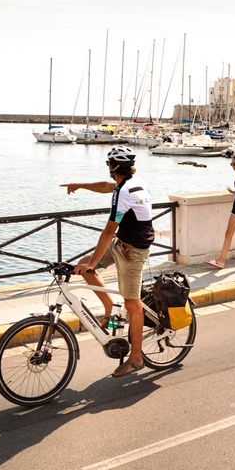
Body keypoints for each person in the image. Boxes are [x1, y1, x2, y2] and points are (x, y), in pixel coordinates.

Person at [61, 145, 153, 378]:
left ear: (114, 167)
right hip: (122, 244)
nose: (108, 169)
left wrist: (94, 262)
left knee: (132, 304)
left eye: (109, 164)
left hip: (133, 252)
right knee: (85, 266)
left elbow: (109, 230)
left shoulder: (125, 192)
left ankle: (136, 358)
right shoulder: (129, 183)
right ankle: (110, 307)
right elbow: (106, 187)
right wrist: (80, 184)